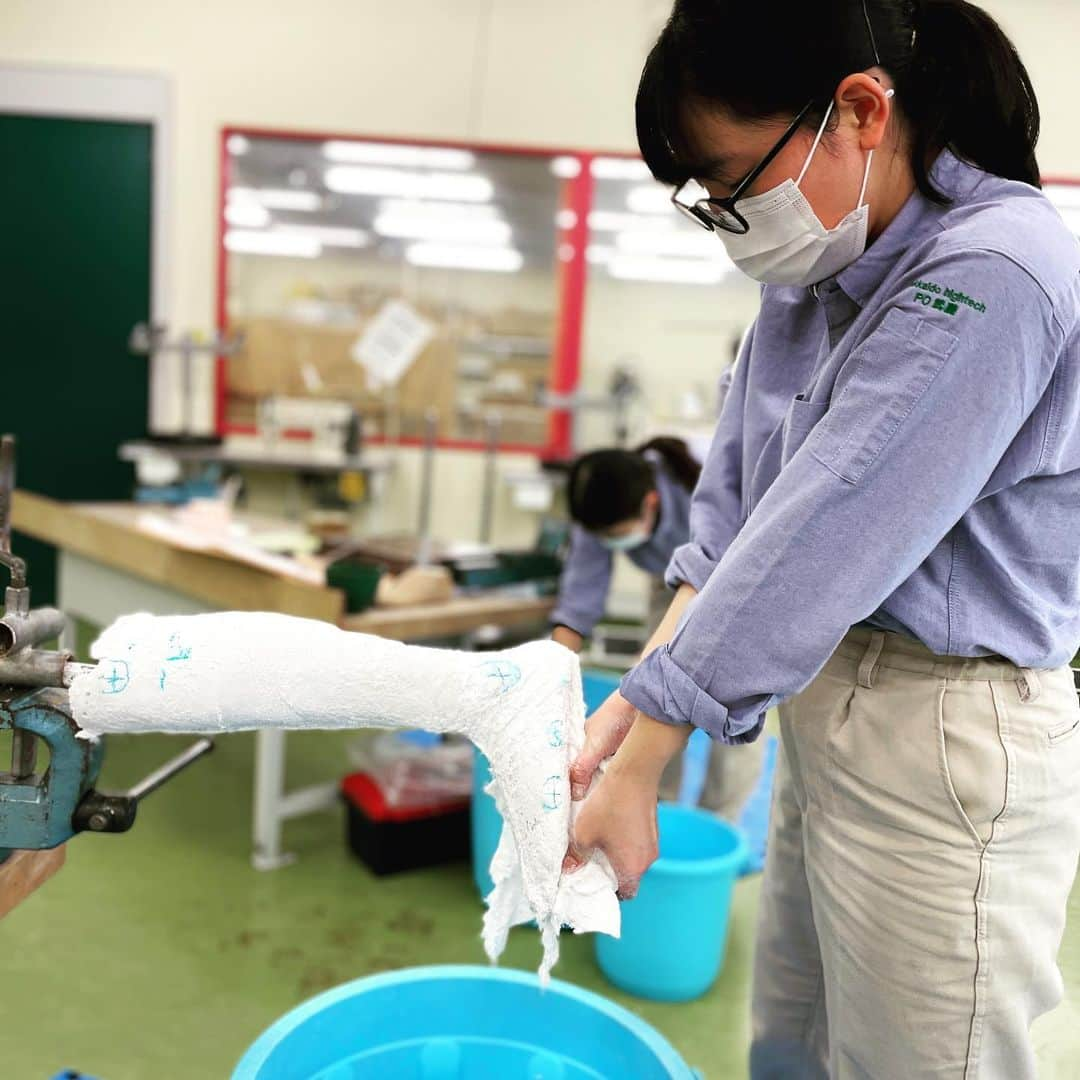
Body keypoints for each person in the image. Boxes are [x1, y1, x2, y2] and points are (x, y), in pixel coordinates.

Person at [564, 2, 1080, 1077]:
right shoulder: (814, 280)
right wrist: (630, 703)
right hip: (826, 700)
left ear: (858, 110)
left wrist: (649, 759)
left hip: (946, 730)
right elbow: (739, 519)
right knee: (791, 1040)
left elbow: (825, 533)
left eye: (736, 182)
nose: (733, 218)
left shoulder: (998, 269)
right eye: (708, 201)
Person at [550, 432, 762, 821]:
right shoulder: (604, 505)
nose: (612, 543)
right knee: (651, 693)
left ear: (652, 503)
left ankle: (714, 823)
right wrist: (549, 677)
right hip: (669, 581)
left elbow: (728, 565)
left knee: (734, 706)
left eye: (617, 537)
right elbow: (580, 598)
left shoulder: (707, 480)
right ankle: (652, 806)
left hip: (741, 578)